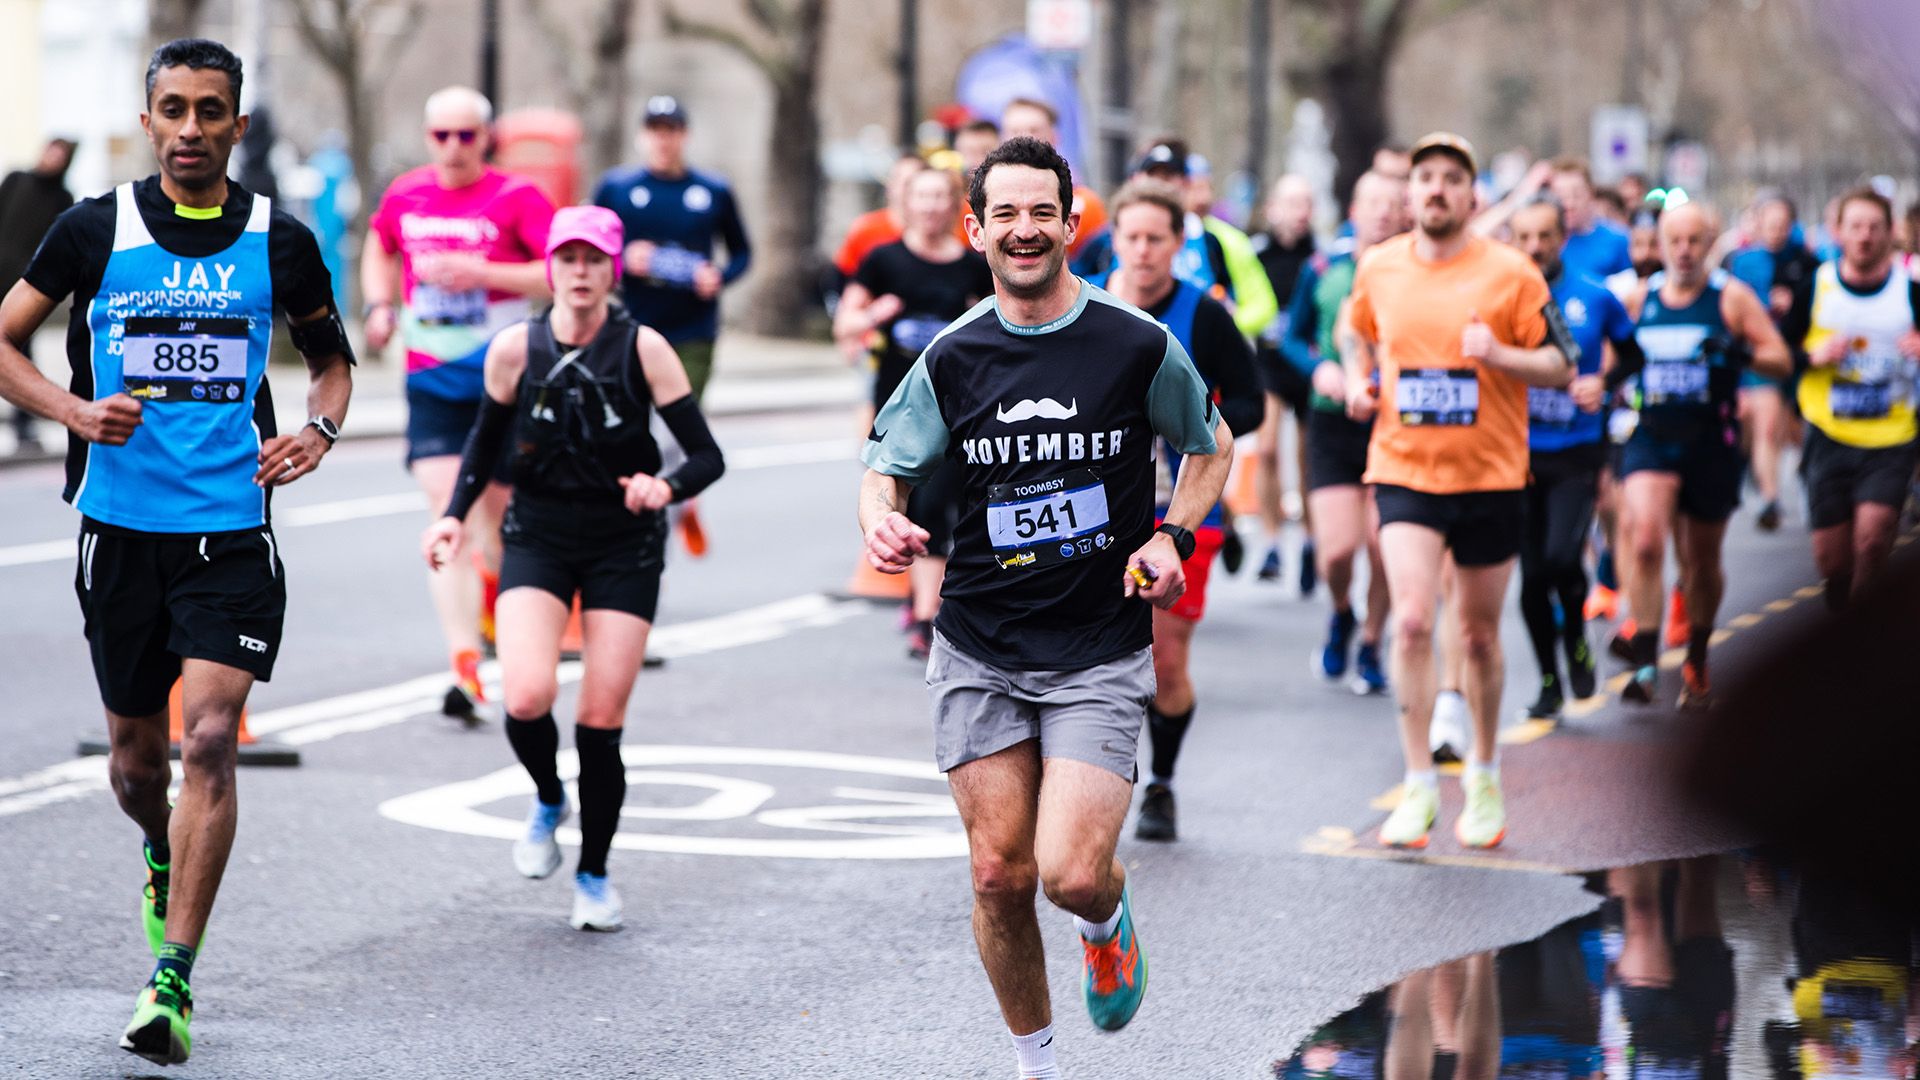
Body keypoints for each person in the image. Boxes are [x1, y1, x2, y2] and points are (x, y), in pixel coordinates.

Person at [0, 39, 353, 1065]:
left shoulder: (277, 242)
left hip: (230, 533)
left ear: (238, 126)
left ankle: (173, 979)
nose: (191, 128)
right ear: (148, 120)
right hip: (117, 533)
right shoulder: (91, 229)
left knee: (207, 742)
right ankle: (160, 847)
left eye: (211, 111)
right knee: (133, 763)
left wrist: (319, 432)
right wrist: (72, 407)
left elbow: (331, 365)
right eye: (173, 110)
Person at [858, 136, 1231, 1079]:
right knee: (998, 873)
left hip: (1097, 644)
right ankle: (1038, 1063)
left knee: (1067, 872)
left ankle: (1105, 917)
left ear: (1072, 223)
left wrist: (1170, 536)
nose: (1025, 231)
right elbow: (884, 468)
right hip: (980, 640)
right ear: (977, 228)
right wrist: (882, 523)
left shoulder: (1135, 342)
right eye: (1005, 215)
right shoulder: (953, 355)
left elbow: (1212, 446)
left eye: (1043, 213)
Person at [422, 205, 724, 931]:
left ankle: (593, 871)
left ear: (612, 268)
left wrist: (667, 487)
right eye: (568, 258)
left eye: (594, 259)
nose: (580, 272)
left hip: (625, 539)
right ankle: (548, 797)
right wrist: (453, 516)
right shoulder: (512, 350)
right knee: (524, 697)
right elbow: (483, 446)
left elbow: (707, 455)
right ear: (549, 268)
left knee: (599, 718)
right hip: (540, 533)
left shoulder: (643, 348)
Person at [1339, 133, 1574, 850]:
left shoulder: (1512, 274)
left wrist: (1498, 355)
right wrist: (1356, 378)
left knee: (1475, 635)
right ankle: (1417, 786)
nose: (1436, 189)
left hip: (1491, 475)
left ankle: (1483, 771)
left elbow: (1563, 365)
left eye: (1451, 179)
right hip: (1405, 468)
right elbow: (1355, 335)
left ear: (1473, 196)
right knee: (1412, 621)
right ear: (1410, 195)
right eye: (1425, 178)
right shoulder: (1378, 267)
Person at [363, 85, 555, 722]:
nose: (451, 147)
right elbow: (380, 244)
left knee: (495, 525)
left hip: (504, 383)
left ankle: (500, 605)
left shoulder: (516, 198)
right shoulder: (406, 193)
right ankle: (466, 668)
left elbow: (559, 272)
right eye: (440, 135)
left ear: (486, 139)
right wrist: (381, 306)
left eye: (464, 136)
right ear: (427, 138)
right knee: (449, 518)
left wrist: (483, 274)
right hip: (431, 383)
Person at [1093, 179, 1261, 842]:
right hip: (1099, 510)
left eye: (1154, 238)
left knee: (1165, 658)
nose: (1141, 251)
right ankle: (1097, 770)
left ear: (1177, 243)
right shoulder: (1087, 304)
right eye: (1129, 237)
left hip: (1183, 506)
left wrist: (1190, 416)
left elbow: (1251, 403)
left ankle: (1160, 781)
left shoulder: (1204, 314)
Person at [1611, 202, 1791, 707]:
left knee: (1699, 562)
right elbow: (1609, 360)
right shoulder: (1639, 298)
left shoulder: (1730, 299)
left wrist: (1739, 354)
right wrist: (1606, 383)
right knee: (1645, 539)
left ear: (1711, 243)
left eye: (1695, 241)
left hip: (1710, 443)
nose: (1684, 252)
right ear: (1661, 244)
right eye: (1675, 241)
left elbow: (1779, 360)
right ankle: (1645, 657)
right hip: (1652, 435)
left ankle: (1696, 654)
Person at [834, 166, 991, 657]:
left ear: (953, 206)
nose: (928, 206)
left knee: (940, 502)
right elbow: (845, 325)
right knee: (914, 501)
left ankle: (927, 614)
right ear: (907, 202)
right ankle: (924, 609)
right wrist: (873, 316)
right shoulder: (883, 260)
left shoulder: (969, 266)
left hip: (953, 405)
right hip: (897, 402)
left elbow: (996, 320)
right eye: (920, 197)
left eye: (939, 197)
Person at [594, 95, 752, 556]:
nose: (663, 139)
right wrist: (624, 261)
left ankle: (662, 513)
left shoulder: (712, 190)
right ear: (644, 135)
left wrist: (718, 277)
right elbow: (589, 245)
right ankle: (668, 503)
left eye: (672, 130)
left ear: (684, 135)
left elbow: (741, 251)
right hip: (631, 328)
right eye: (655, 130)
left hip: (692, 332)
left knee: (672, 430)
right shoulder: (618, 189)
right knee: (627, 428)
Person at [1507, 197, 1645, 718]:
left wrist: (1602, 382)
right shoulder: (1499, 300)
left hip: (1576, 451)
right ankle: (1548, 681)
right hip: (1514, 456)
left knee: (1564, 559)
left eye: (1544, 236)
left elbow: (1633, 353)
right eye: (1524, 238)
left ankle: (1578, 646)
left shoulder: (1593, 295)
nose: (1535, 247)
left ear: (1563, 238)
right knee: (1531, 577)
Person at [1283, 170, 1408, 696]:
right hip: (1331, 421)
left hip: (1393, 423)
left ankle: (1374, 641)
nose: (1382, 212)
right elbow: (1292, 336)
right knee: (1337, 551)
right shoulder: (1324, 268)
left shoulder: (1412, 272)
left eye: (1391, 203)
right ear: (1353, 211)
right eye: (1371, 202)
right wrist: (1318, 369)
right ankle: (1341, 613)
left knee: (1383, 546)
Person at [1788, 188, 1920, 608]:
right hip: (1828, 435)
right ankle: (1844, 614)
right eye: (1856, 227)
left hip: (1892, 436)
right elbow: (1775, 354)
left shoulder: (1910, 292)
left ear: (1890, 233)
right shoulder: (1816, 286)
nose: (1864, 236)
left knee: (1873, 541)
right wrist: (1812, 355)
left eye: (1874, 227)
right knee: (1832, 559)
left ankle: (1860, 655)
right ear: (1838, 232)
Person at [1725, 192, 1818, 531]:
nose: (1776, 231)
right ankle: (1770, 497)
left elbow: (1817, 307)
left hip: (1800, 355)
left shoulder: (1808, 262)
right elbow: (1733, 311)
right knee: (1765, 425)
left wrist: (1794, 302)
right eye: (1770, 224)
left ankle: (1812, 483)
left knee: (1795, 432)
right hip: (1761, 355)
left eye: (1783, 225)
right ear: (1759, 224)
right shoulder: (1743, 261)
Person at [1250, 174, 1319, 588]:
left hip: (1308, 369)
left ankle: (1311, 541)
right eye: (1292, 204)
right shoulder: (1256, 254)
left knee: (1308, 461)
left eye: (1306, 204)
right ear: (1273, 209)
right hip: (1268, 367)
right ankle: (1272, 541)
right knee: (1269, 448)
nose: (1300, 213)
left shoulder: (1319, 259)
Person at [0, 136, 76, 450]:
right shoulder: (16, 179)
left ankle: (24, 426)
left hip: (25, 289)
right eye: (51, 151)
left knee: (19, 355)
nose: (53, 158)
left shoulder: (63, 198)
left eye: (61, 155)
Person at [998, 97, 1107, 262]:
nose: (1024, 139)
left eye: (1034, 130)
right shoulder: (983, 202)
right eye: (1015, 131)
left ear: (1054, 136)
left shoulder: (1086, 205)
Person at [832, 152, 925, 281]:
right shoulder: (866, 228)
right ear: (889, 186)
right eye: (900, 181)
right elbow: (841, 276)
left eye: (912, 182)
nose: (906, 189)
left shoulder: (945, 235)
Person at [1550, 158, 1634, 280]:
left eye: (1576, 195)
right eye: (1561, 196)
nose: (1569, 204)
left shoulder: (1618, 239)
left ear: (1590, 193)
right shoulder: (1545, 242)